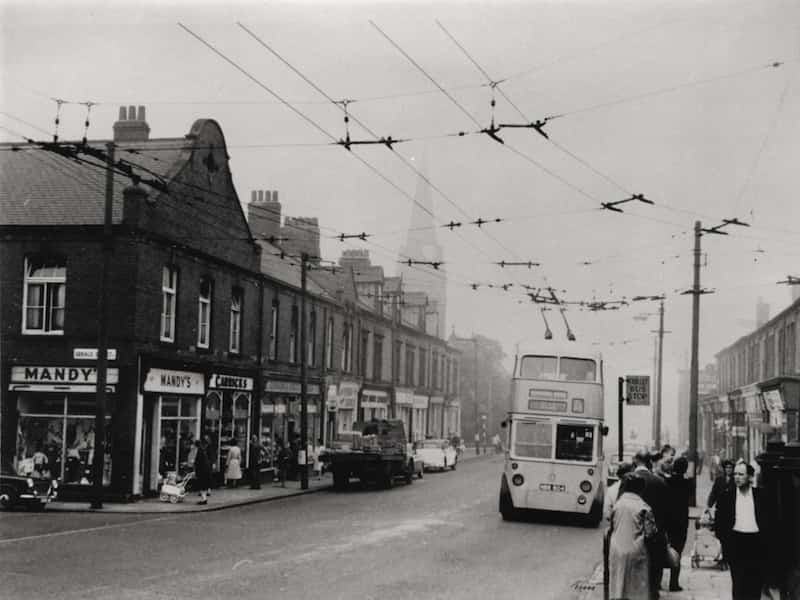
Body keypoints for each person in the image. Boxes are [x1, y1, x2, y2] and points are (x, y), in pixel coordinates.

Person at [715, 461, 766, 600]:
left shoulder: (760, 495)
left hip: (756, 544)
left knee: (755, 584)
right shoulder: (726, 496)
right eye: (735, 474)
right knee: (738, 583)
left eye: (741, 474)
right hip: (736, 543)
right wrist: (726, 542)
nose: (736, 477)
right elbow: (719, 524)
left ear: (750, 477)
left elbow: (769, 522)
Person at [623, 449, 669, 597]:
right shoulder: (660, 482)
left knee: (634, 581)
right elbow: (667, 512)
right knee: (653, 582)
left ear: (636, 461)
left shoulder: (628, 481)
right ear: (649, 462)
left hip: (633, 538)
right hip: (655, 539)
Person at [608, 472, 659, 600]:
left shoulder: (618, 505)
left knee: (617, 582)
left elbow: (611, 523)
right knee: (636, 588)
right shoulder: (643, 507)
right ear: (640, 489)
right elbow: (650, 532)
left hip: (616, 549)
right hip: (636, 549)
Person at [665, 456, 691, 592]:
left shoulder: (667, 481)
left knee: (664, 550)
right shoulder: (687, 483)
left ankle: (658, 580)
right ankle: (673, 583)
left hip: (668, 521)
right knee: (677, 552)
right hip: (681, 523)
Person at [193, 439, 212, 504]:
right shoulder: (203, 450)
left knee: (202, 485)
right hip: (206, 470)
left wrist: (194, 464)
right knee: (204, 486)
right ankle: (204, 498)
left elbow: (197, 461)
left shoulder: (199, 451)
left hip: (202, 471)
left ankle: (204, 499)